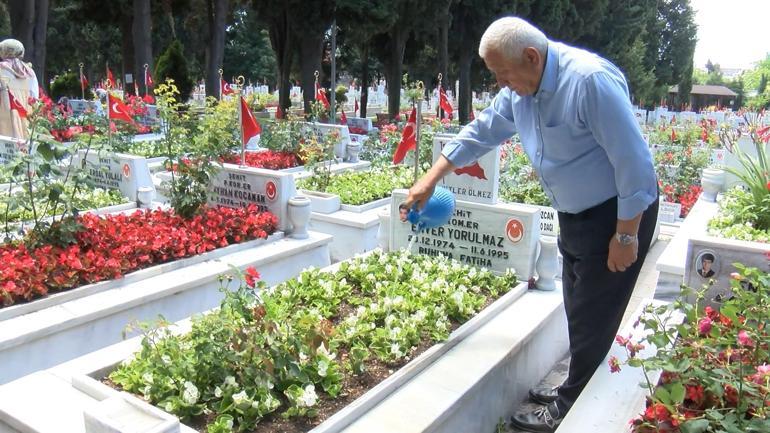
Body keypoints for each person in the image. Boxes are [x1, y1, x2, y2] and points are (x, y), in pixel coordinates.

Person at [402, 17, 659, 433]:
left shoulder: (588, 82)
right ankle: (575, 384)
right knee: (578, 304)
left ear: (531, 57)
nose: (501, 83)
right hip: (575, 214)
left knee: (595, 313)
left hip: (615, 215)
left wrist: (626, 234)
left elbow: (635, 163)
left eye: (502, 73)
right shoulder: (521, 92)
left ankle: (568, 407)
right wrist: (429, 179)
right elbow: (483, 131)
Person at [0, 39, 39, 139]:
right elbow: (35, 97)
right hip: (25, 113)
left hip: (4, 113)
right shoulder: (29, 71)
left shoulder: (1, 69)